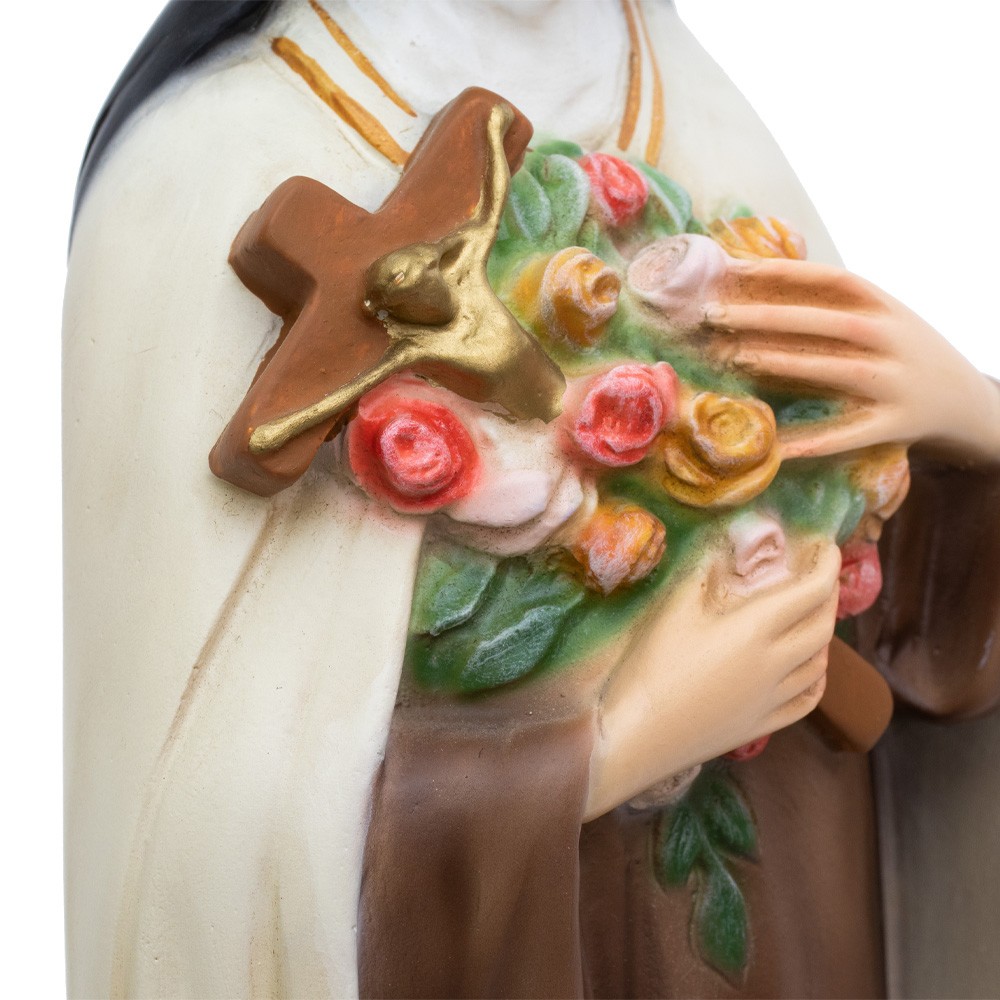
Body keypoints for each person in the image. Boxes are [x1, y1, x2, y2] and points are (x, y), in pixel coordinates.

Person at [64, 3, 1000, 997]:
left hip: (783, 912)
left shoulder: (692, 103)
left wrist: (969, 427)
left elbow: (891, 614)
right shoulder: (199, 173)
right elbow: (195, 823)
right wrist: (615, 746)